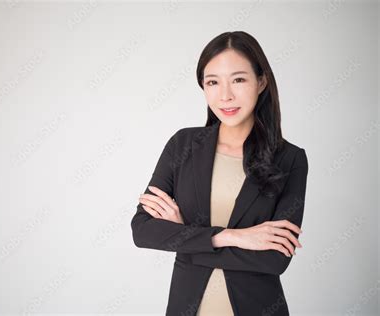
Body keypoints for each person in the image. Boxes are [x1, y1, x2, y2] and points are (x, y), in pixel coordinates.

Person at [131, 31, 309, 316]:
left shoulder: (290, 159)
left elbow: (275, 259)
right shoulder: (183, 145)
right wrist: (234, 237)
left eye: (238, 79)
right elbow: (143, 231)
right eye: (212, 82)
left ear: (261, 81)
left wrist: (184, 233)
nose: (225, 95)